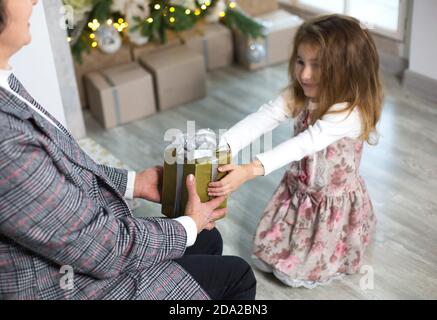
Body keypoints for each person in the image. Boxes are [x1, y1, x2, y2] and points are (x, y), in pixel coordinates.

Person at [0, 0, 256, 300]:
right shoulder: (7, 143)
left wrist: (135, 183)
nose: (34, 0)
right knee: (236, 276)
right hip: (60, 283)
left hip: (75, 251)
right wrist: (186, 225)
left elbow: (59, 167)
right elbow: (105, 249)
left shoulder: (7, 84)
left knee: (206, 238)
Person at [209, 14, 382, 288]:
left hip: (328, 197)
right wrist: (222, 146)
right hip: (301, 184)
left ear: (348, 69)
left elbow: (306, 142)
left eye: (318, 65)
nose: (304, 74)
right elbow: (266, 116)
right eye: (301, 61)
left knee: (302, 265)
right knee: (280, 246)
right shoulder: (301, 92)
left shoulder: (350, 112)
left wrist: (251, 169)